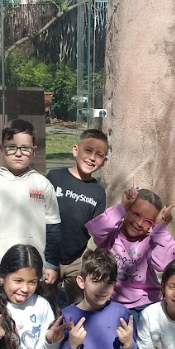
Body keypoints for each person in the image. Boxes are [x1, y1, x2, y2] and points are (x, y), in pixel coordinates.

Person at [0, 119, 61, 290]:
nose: (18, 153)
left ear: (34, 151)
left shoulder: (43, 184)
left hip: (33, 271)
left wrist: (52, 264)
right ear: (2, 149)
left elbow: (53, 229)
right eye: (11, 147)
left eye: (25, 148)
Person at [85, 179, 175, 316]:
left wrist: (160, 229)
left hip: (144, 304)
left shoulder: (150, 242)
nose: (139, 223)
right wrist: (121, 207)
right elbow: (96, 229)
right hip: (110, 300)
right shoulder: (110, 236)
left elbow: (163, 265)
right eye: (136, 214)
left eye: (148, 222)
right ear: (127, 210)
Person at [46, 129, 108, 306]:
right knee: (45, 304)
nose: (92, 158)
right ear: (75, 150)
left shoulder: (98, 192)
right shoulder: (54, 177)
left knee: (79, 307)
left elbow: (98, 230)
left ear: (104, 162)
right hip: (48, 255)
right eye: (88, 150)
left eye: (99, 155)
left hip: (77, 259)